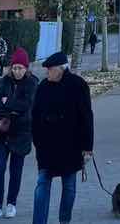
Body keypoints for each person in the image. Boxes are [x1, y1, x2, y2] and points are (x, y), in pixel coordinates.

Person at [30, 51, 93, 224]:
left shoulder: (78, 85)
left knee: (69, 187)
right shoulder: (43, 86)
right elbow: (34, 115)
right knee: (42, 185)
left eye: (49, 69)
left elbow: (87, 117)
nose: (47, 72)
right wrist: (37, 140)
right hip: (47, 147)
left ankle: (64, 220)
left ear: (60, 69)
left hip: (70, 147)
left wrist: (88, 147)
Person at [0, 48, 38, 221]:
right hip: (2, 132)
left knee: (16, 170)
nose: (16, 71)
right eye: (14, 67)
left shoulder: (32, 83)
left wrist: (8, 104)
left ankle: (11, 204)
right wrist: (11, 107)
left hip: (21, 133)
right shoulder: (4, 81)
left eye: (20, 68)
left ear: (26, 68)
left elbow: (26, 105)